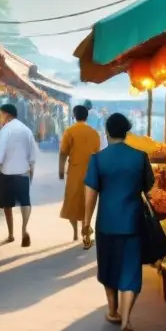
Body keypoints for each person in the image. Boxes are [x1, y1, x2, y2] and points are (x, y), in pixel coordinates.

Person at [82, 113, 155, 331]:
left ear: (107, 132)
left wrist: (85, 224)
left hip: (106, 223)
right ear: (127, 132)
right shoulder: (140, 157)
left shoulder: (98, 159)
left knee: (109, 265)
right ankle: (126, 323)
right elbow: (148, 186)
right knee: (130, 272)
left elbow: (91, 193)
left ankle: (112, 311)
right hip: (132, 222)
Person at [0, 103, 37, 247]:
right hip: (23, 172)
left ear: (7, 114)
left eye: (1, 114)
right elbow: (32, 155)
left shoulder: (6, 130)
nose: (0, 118)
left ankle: (11, 234)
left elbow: (1, 151)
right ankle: (24, 229)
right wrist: (31, 171)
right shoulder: (27, 130)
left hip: (6, 172)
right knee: (25, 202)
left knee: (7, 205)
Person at [58, 105, 101, 246]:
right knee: (86, 202)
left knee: (72, 202)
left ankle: (75, 232)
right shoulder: (94, 133)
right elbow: (97, 154)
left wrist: (60, 169)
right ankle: (85, 229)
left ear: (73, 116)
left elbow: (63, 152)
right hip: (90, 172)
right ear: (87, 116)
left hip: (75, 172)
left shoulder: (70, 131)